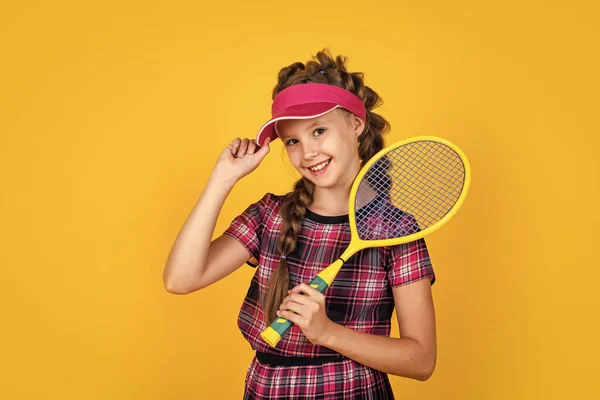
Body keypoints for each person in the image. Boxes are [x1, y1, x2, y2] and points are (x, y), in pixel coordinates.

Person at [163, 49, 437, 399]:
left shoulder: (395, 230)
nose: (307, 152)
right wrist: (222, 180)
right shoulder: (268, 216)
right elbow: (180, 280)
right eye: (293, 140)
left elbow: (421, 360)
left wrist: (327, 332)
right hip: (267, 390)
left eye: (319, 131)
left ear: (356, 123)